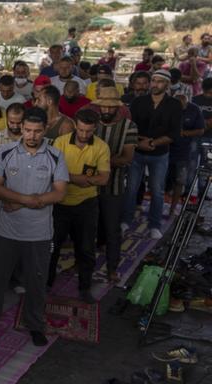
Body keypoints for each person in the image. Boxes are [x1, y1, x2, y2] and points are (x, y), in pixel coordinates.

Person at [0, 107, 68, 347]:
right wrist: (29, 200)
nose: (32, 135)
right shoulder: (5, 152)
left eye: (37, 131)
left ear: (45, 130)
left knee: (36, 281)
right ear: (21, 129)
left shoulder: (56, 155)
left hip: (39, 233)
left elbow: (59, 193)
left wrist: (16, 202)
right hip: (6, 230)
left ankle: (35, 324)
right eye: (27, 130)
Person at [48, 109, 112, 303]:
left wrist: (68, 177)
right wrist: (82, 179)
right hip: (59, 202)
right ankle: (46, 283)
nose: (84, 135)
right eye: (82, 130)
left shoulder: (101, 147)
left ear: (95, 129)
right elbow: (52, 173)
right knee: (52, 246)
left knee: (85, 248)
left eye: (89, 131)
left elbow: (104, 178)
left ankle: (85, 287)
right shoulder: (60, 142)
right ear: (75, 125)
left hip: (86, 204)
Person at [123, 70, 182, 239]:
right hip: (137, 151)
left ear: (167, 84)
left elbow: (175, 133)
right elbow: (130, 127)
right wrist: (140, 142)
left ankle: (155, 224)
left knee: (157, 190)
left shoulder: (174, 105)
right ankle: (126, 220)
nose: (155, 84)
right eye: (153, 81)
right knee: (131, 187)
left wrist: (153, 143)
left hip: (160, 154)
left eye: (159, 81)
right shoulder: (139, 102)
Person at [92, 89, 138, 282]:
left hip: (114, 185)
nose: (107, 109)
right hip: (89, 187)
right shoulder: (91, 124)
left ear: (118, 107)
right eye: (104, 105)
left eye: (111, 105)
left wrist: (97, 162)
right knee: (87, 229)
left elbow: (127, 158)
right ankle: (83, 263)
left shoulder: (129, 126)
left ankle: (112, 268)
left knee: (112, 230)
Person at [168, 87, 207, 215]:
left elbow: (201, 130)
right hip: (165, 150)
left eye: (182, 103)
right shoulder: (168, 106)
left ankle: (173, 208)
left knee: (180, 181)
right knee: (160, 182)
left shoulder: (194, 109)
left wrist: (183, 133)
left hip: (184, 151)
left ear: (187, 100)